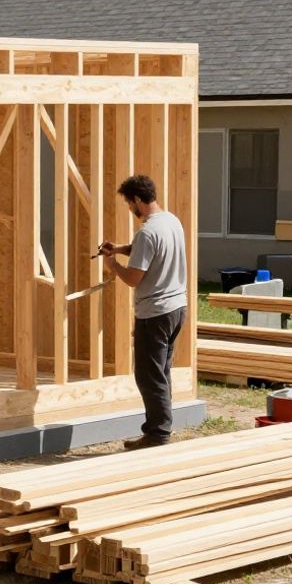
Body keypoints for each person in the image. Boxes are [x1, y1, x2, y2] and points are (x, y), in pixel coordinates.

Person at [98, 174, 187, 450]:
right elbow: (152, 250)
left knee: (148, 374)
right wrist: (122, 249)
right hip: (176, 308)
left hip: (155, 313)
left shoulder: (147, 232)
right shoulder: (171, 221)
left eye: (128, 203)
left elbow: (135, 278)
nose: (129, 208)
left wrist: (113, 265)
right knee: (161, 371)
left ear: (137, 200)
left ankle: (158, 433)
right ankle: (162, 426)